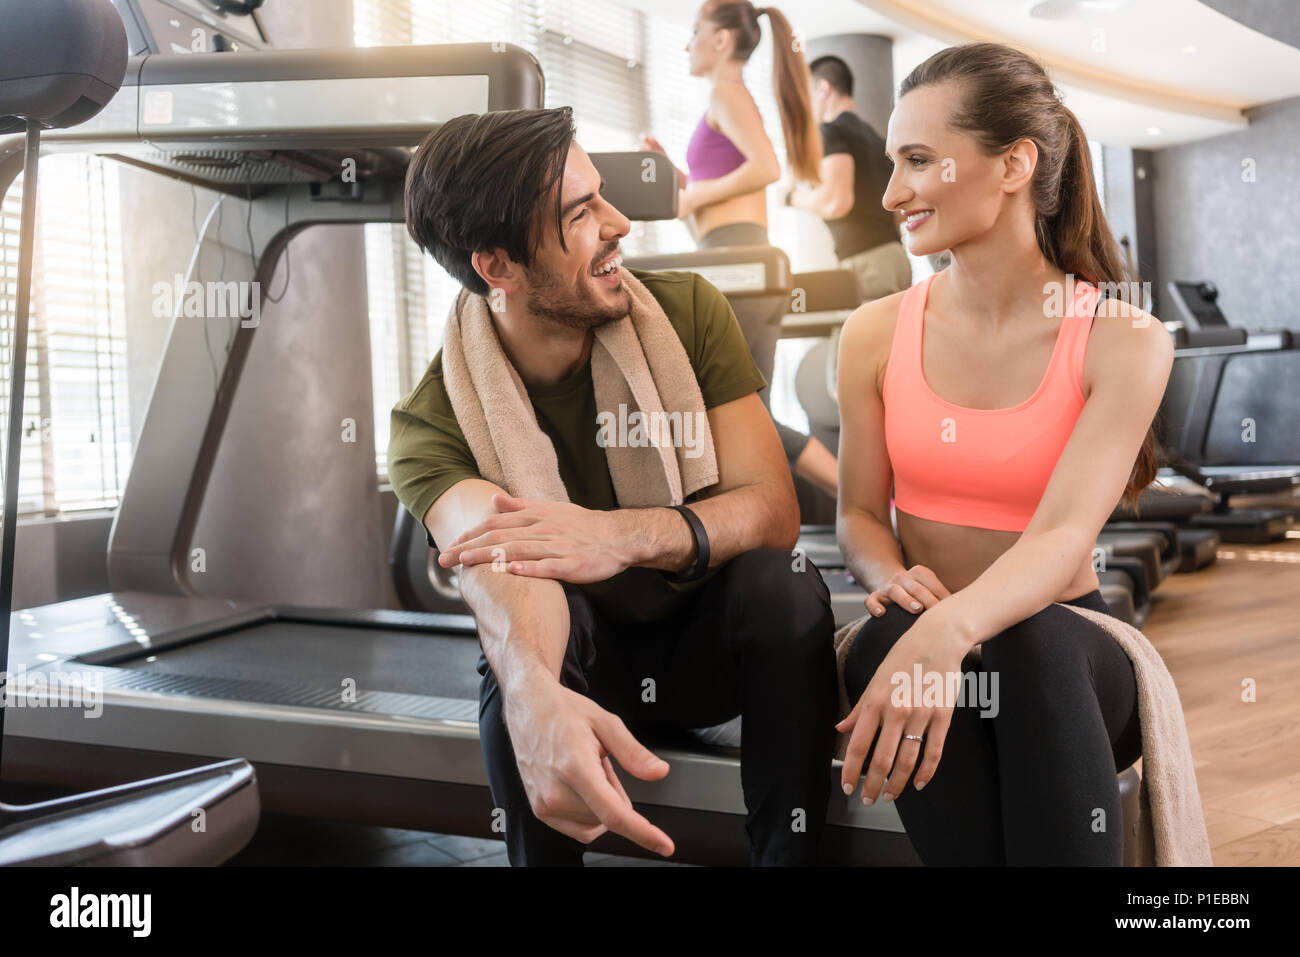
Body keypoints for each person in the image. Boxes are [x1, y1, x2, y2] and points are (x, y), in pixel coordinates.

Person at [390, 106, 838, 866]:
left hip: (705, 650)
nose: (620, 222)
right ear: (496, 266)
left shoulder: (690, 311)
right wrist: (535, 693)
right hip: (583, 663)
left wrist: (615, 535)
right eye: (581, 212)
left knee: (785, 583)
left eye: (601, 195)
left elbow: (773, 511)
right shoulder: (431, 421)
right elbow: (504, 562)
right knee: (514, 678)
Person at [834, 42, 1174, 865]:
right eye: (892, 162)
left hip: (1071, 655)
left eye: (919, 160)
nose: (891, 193)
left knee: (1033, 641)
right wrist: (893, 582)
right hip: (924, 632)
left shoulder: (1122, 338)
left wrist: (952, 625)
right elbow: (855, 514)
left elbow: (1060, 543)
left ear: (1015, 163)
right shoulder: (872, 332)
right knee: (886, 640)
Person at [639, 1, 838, 499]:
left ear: (722, 40)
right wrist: (677, 186)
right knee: (743, 410)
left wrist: (688, 195)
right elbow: (706, 222)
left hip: (743, 260)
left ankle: (860, 502)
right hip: (725, 258)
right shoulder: (719, 104)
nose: (688, 43)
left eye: (695, 31)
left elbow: (768, 169)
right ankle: (850, 502)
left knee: (743, 409)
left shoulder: (727, 94)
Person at [787, 54, 912, 302]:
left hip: (867, 265)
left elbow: (837, 202)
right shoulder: (877, 140)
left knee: (858, 340)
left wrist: (792, 198)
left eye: (806, 94)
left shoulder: (829, 132)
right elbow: (898, 212)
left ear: (823, 89)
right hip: (896, 258)